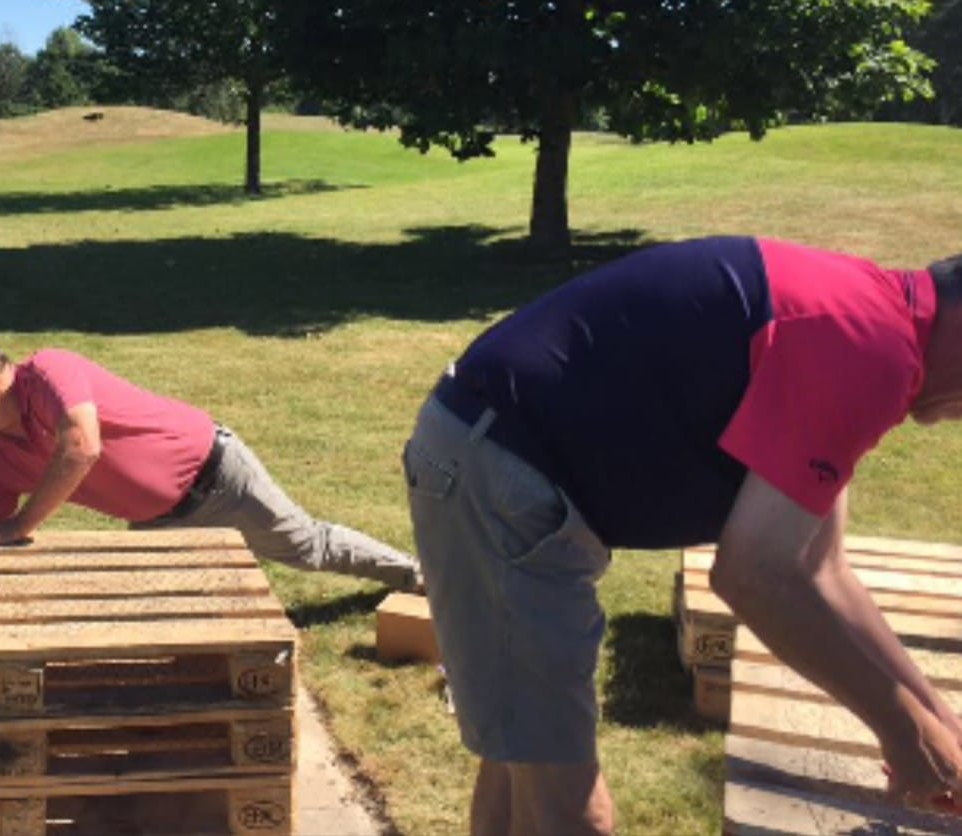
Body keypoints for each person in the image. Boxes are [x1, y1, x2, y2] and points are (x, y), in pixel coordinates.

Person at [402, 236, 962, 834]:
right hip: (500, 468)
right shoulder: (870, 347)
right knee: (572, 813)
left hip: (493, 451)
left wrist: (938, 728)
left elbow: (821, 568)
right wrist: (903, 735)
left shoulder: (865, 318)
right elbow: (756, 575)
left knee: (525, 761)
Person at [0, 337, 420, 591]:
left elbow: (81, 447)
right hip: (156, 521)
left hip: (218, 478)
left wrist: (21, 522)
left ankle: (419, 579)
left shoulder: (47, 372)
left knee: (309, 547)